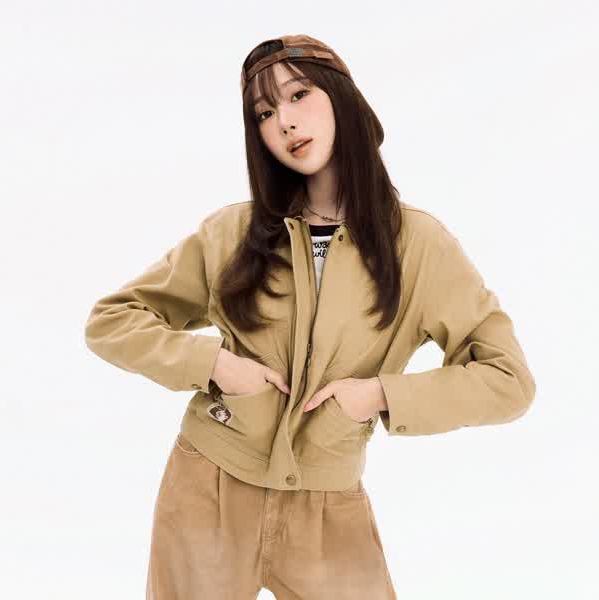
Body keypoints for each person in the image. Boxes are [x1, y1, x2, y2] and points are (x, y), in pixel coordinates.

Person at [84, 34, 536, 600]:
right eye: (264, 113)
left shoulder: (419, 246)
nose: (285, 123)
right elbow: (112, 320)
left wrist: (378, 396)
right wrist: (216, 366)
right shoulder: (233, 232)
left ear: (341, 97)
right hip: (207, 493)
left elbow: (508, 381)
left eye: (299, 95)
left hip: (330, 512)